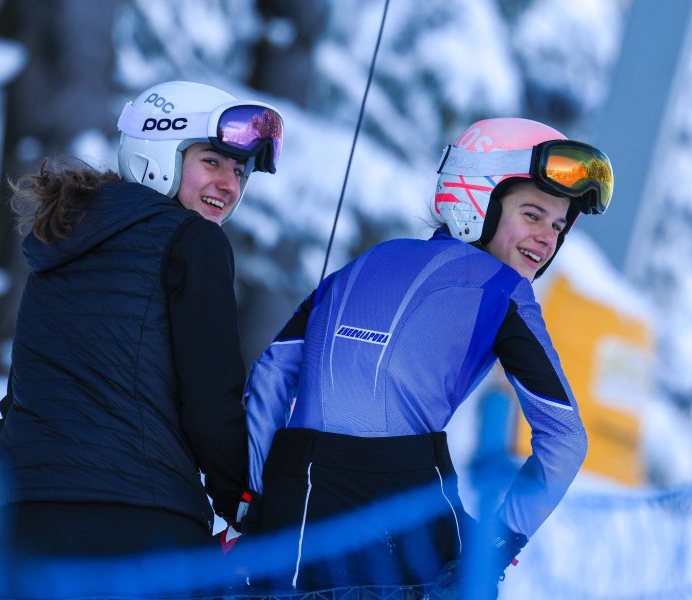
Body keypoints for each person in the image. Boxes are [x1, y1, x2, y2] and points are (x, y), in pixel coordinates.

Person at [242, 117, 613, 595]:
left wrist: (253, 497)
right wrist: (499, 544)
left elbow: (273, 372)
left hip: (291, 513)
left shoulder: (367, 261)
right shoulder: (503, 290)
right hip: (401, 521)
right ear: (479, 201)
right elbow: (565, 440)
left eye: (559, 226)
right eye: (532, 215)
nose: (547, 238)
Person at [0, 80, 284, 598]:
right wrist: (244, 499)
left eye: (239, 172)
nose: (230, 185)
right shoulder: (193, 241)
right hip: (140, 525)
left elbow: (19, 395)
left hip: (22, 525)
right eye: (213, 162)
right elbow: (209, 398)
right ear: (159, 152)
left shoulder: (60, 240)